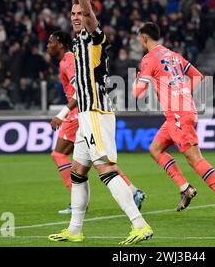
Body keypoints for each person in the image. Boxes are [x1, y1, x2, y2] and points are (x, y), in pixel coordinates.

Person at [48, 0, 152, 245]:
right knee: (78, 173)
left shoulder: (95, 38)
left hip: (96, 111)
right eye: (72, 12)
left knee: (105, 170)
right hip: (84, 116)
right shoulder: (78, 43)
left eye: (79, 12)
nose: (75, 16)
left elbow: (91, 12)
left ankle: (139, 224)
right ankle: (75, 229)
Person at [132, 22, 215, 220]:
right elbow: (198, 77)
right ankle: (185, 188)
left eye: (139, 38)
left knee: (194, 158)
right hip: (182, 111)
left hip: (178, 114)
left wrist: (136, 80)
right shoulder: (173, 55)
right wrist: (181, 92)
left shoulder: (148, 59)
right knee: (155, 149)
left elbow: (138, 93)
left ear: (144, 38)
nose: (139, 41)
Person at [47, 30, 146, 214]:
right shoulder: (69, 59)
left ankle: (75, 202)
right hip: (85, 111)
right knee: (99, 159)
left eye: (51, 41)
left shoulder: (68, 61)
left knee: (59, 154)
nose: (47, 45)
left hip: (78, 113)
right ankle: (133, 191)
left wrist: (61, 114)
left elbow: (80, 90)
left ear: (60, 44)